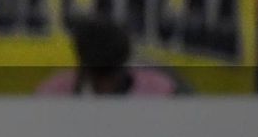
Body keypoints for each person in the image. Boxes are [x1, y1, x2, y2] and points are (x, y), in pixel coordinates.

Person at [37, 16, 181, 95]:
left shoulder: (160, 90)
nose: (105, 86)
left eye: (110, 75)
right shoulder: (56, 92)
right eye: (97, 76)